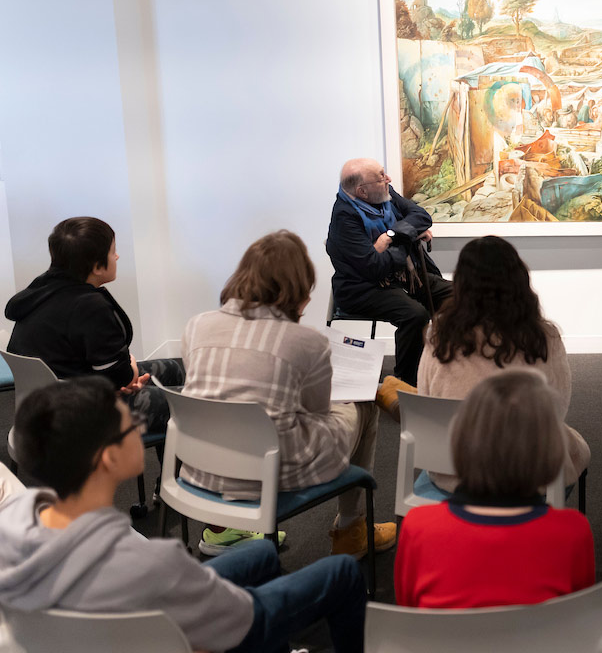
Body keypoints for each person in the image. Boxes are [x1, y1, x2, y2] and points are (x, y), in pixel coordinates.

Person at [0, 377, 366, 653]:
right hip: (196, 625)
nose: (140, 428)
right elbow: (238, 618)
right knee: (343, 572)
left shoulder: (11, 522)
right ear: (108, 458)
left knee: (261, 553)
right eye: (130, 425)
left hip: (94, 629)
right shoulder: (153, 562)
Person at [182, 230, 397, 558]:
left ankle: (225, 528)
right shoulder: (305, 341)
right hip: (271, 474)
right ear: (298, 288)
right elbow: (318, 412)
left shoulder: (196, 325)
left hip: (202, 467)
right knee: (365, 404)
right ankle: (352, 528)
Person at [394, 369, 595, 608]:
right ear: (549, 450)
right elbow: (578, 615)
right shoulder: (573, 533)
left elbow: (409, 610)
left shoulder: (417, 528)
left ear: (461, 441)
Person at [417, 235, 589, 494]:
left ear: (462, 284)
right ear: (519, 280)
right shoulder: (544, 337)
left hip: (455, 470)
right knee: (574, 447)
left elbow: (426, 397)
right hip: (530, 472)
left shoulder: (440, 335)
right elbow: (557, 407)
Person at [4, 217, 183, 434]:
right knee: (190, 402)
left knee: (174, 368)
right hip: (78, 417)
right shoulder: (89, 306)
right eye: (112, 251)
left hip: (45, 405)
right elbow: (121, 377)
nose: (117, 256)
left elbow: (112, 374)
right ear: (97, 266)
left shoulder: (40, 290)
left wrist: (124, 376)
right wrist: (130, 370)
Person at [326, 157, 453, 385]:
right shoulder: (345, 219)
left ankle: (451, 367)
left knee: (461, 296)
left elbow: (422, 216)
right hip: (363, 288)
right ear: (362, 191)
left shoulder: (385, 195)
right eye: (381, 177)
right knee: (414, 315)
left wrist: (390, 236)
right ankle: (405, 382)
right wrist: (409, 236)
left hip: (403, 277)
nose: (388, 179)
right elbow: (374, 266)